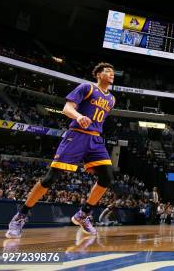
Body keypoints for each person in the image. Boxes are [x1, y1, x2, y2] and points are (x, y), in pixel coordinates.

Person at [6, 62, 116, 238]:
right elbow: (67, 108)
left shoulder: (111, 99)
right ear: (98, 74)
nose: (112, 74)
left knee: (107, 176)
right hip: (77, 135)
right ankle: (20, 216)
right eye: (108, 71)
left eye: (113, 72)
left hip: (95, 138)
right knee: (51, 178)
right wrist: (79, 116)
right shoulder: (86, 87)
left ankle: (83, 214)